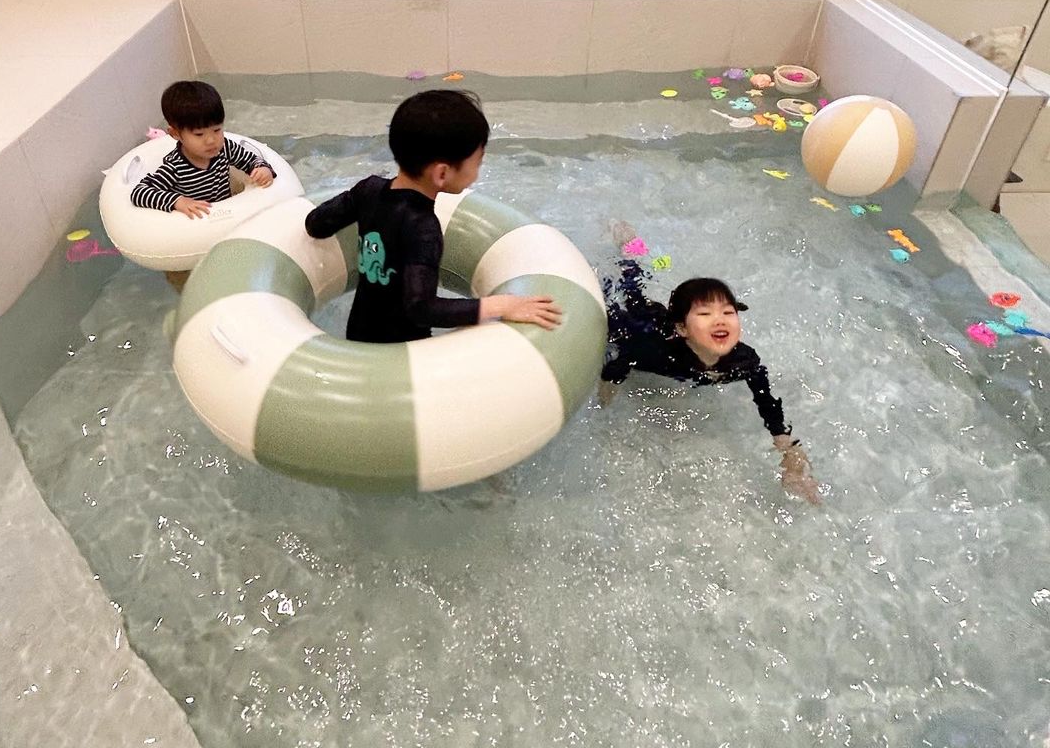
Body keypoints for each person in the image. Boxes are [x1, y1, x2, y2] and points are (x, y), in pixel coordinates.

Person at [304, 89, 561, 344]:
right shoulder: (423, 228)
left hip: (358, 334)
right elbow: (421, 308)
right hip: (405, 351)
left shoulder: (367, 190)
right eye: (478, 162)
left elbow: (316, 224)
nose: (478, 171)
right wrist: (498, 305)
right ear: (442, 174)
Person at [599, 241, 821, 505]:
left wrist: (790, 454)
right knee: (627, 296)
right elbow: (618, 365)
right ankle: (628, 246)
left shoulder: (744, 361)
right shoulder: (656, 353)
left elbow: (767, 403)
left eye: (728, 312)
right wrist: (604, 404)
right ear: (683, 328)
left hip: (667, 330)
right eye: (705, 313)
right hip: (642, 327)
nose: (720, 319)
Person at [130, 80, 275, 217]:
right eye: (199, 134)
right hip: (197, 224)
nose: (211, 140)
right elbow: (140, 192)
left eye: (217, 130)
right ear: (175, 134)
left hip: (226, 213)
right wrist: (177, 201)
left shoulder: (225, 148)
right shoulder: (175, 167)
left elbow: (251, 159)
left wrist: (262, 168)